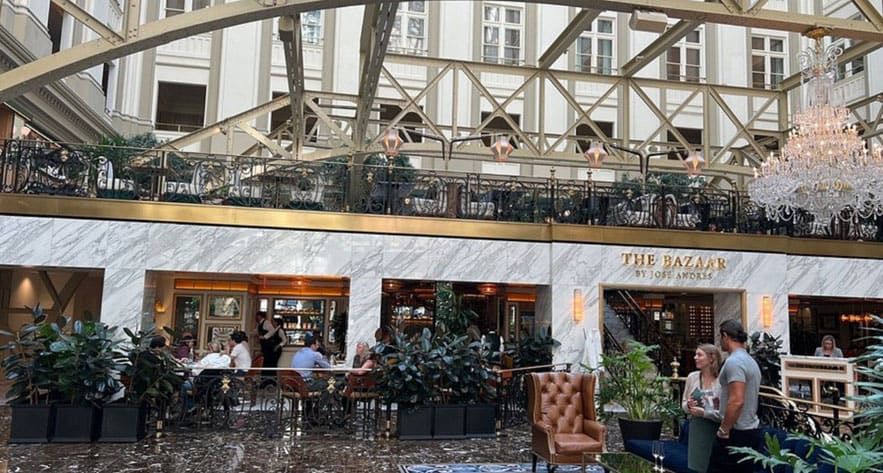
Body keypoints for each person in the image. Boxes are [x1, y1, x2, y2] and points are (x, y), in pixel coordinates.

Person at [707, 320, 761, 473]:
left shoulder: (734, 362)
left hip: (736, 433)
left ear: (725, 336)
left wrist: (724, 429)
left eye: (720, 336)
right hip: (750, 430)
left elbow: (737, 400)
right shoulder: (750, 361)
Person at [683, 344, 723, 473]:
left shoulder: (722, 381)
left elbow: (724, 411)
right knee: (696, 467)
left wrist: (704, 413)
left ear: (711, 358)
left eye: (699, 355)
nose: (695, 357)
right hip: (696, 429)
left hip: (716, 430)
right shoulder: (692, 377)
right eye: (695, 354)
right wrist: (688, 405)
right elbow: (683, 404)